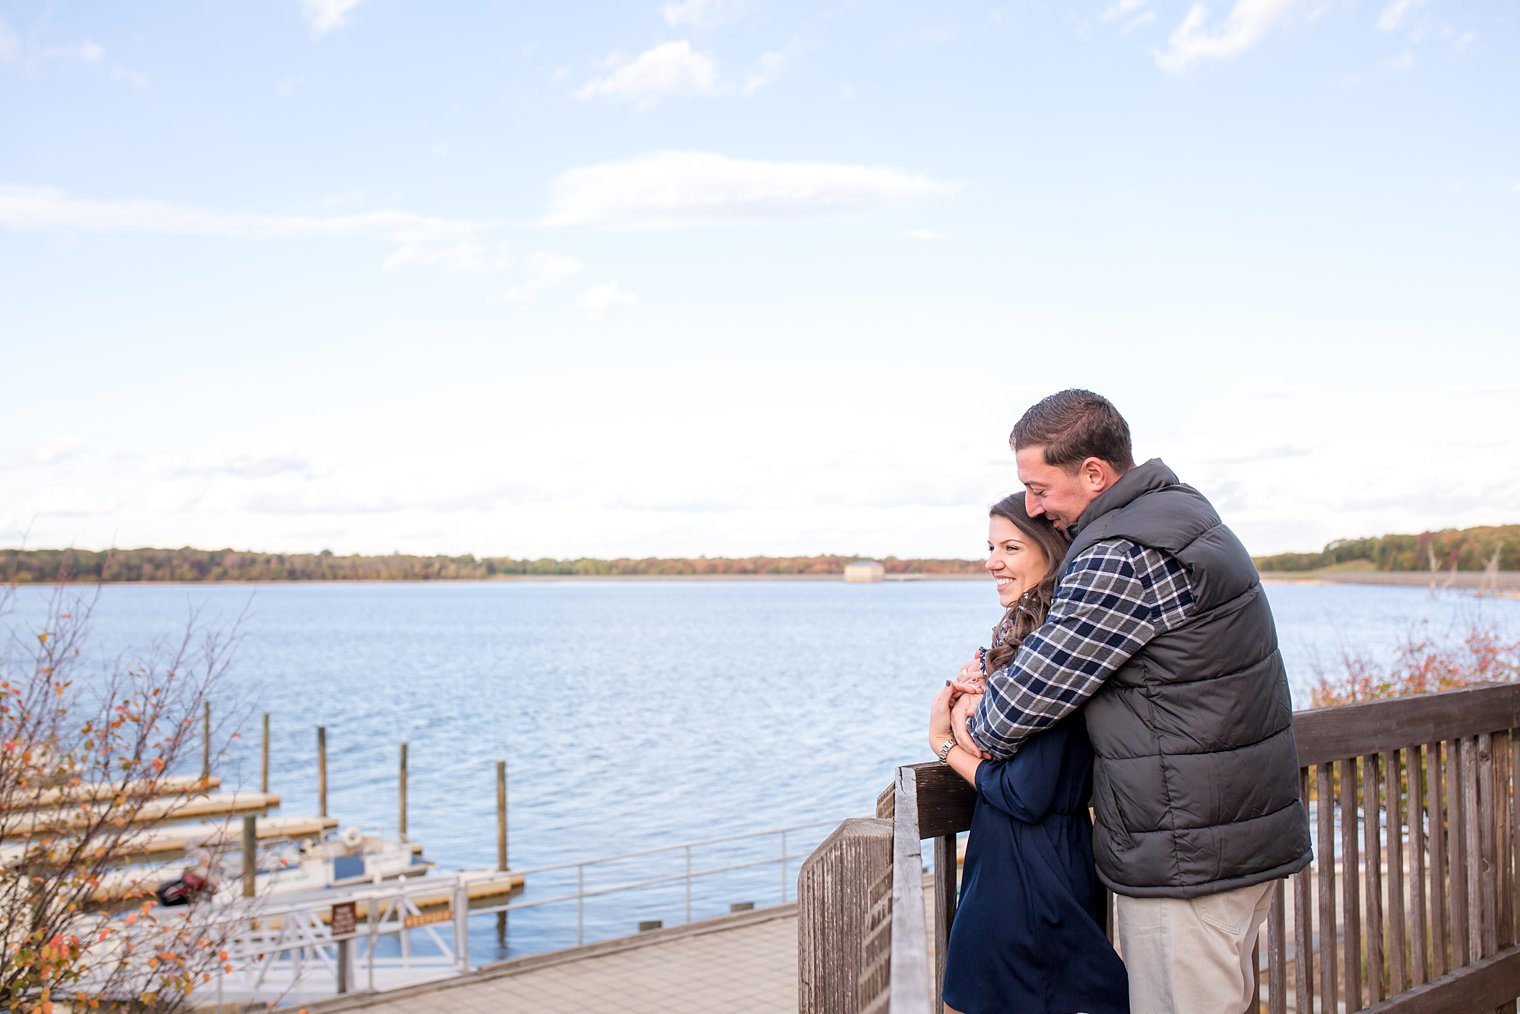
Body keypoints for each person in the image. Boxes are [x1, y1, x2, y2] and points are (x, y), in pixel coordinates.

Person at [947, 389, 1312, 1014]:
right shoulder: (1184, 516)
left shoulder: (1123, 554)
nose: (1033, 507)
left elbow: (1005, 718)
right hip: (1232, 842)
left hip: (1187, 860)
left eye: (1039, 488)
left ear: (1094, 472)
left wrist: (954, 725)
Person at [929, 493, 1130, 1014]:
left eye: (1010, 547)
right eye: (991, 546)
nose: (992, 561)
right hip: (1009, 862)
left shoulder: (1055, 651)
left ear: (1050, 550)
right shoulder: (1022, 640)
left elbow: (1026, 791)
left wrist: (945, 744)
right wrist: (972, 702)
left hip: (1032, 875)